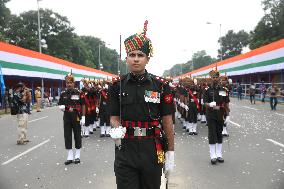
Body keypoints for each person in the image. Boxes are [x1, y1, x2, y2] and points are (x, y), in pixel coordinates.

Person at [109, 20, 174, 189]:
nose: (136, 59)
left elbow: (167, 122)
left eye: (140, 55)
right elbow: (114, 117)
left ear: (147, 59)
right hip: (125, 149)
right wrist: (115, 128)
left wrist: (170, 153)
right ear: (126, 59)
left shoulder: (160, 86)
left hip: (151, 149)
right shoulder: (117, 86)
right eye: (132, 55)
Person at [58, 73, 86, 165]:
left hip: (76, 117)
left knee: (77, 135)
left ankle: (77, 155)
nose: (68, 84)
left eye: (70, 82)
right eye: (67, 83)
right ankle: (70, 156)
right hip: (66, 117)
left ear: (74, 83)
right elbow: (60, 104)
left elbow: (83, 105)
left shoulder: (79, 93)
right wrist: (61, 107)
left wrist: (83, 117)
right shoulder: (63, 94)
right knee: (67, 136)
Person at [204, 70, 230, 165]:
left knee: (219, 133)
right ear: (211, 78)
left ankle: (219, 154)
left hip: (220, 114)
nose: (215, 79)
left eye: (216, 77)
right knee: (212, 134)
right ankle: (212, 155)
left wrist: (228, 115)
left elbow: (226, 103)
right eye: (213, 77)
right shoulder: (207, 90)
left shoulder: (223, 89)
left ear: (219, 78)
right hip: (210, 114)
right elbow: (205, 103)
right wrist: (210, 104)